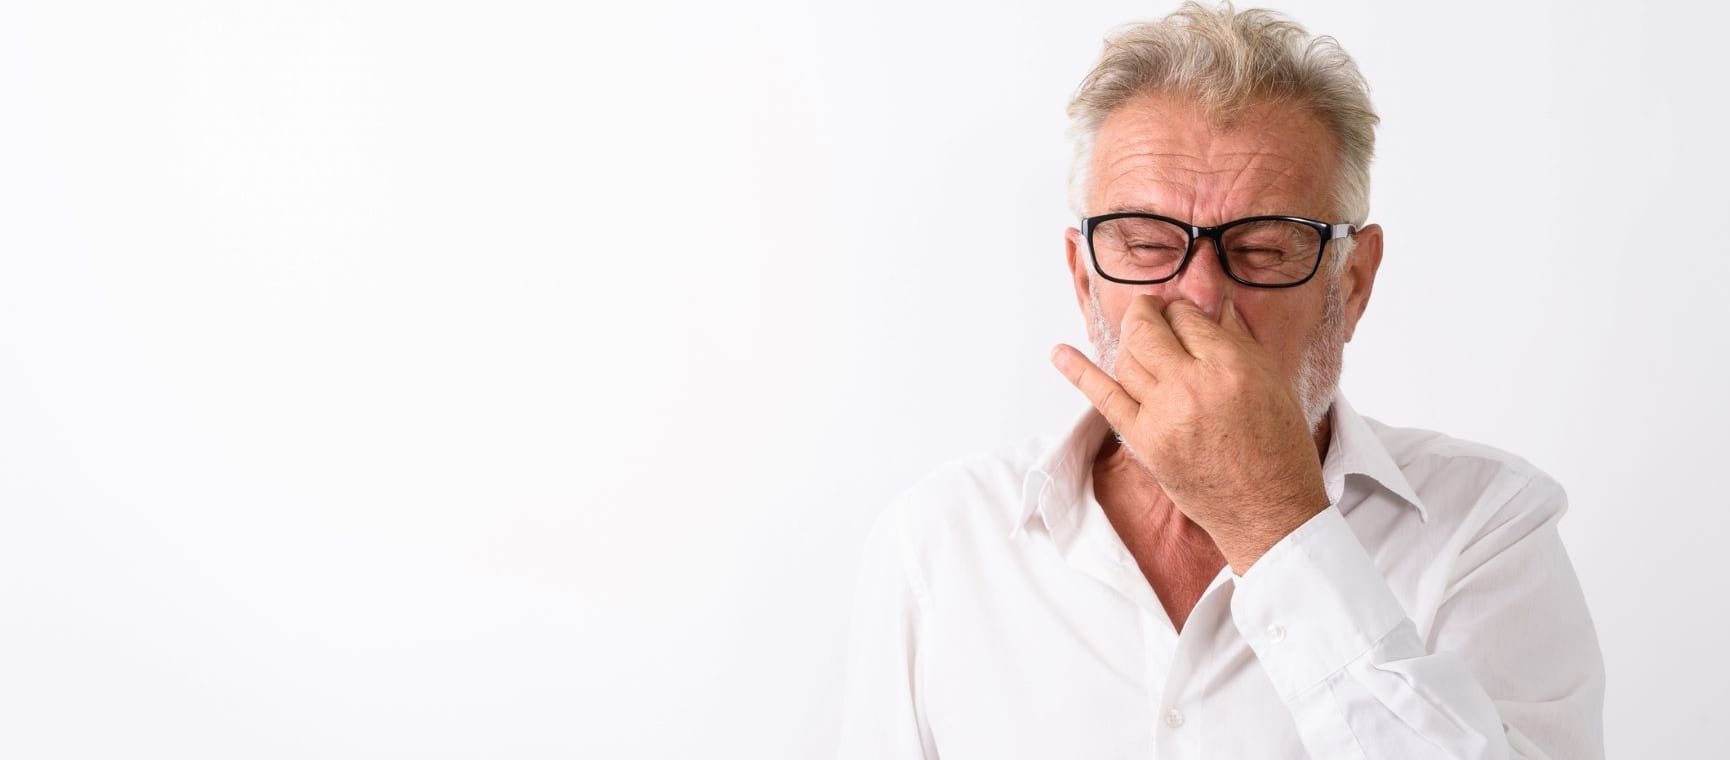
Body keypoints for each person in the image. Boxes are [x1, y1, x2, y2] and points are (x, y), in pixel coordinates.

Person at [835, 3, 1605, 758]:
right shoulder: (938, 544)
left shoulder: (1487, 527)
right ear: (1083, 278)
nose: (1201, 296)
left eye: (1267, 248)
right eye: (1142, 244)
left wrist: (1271, 523)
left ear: (1354, 285)